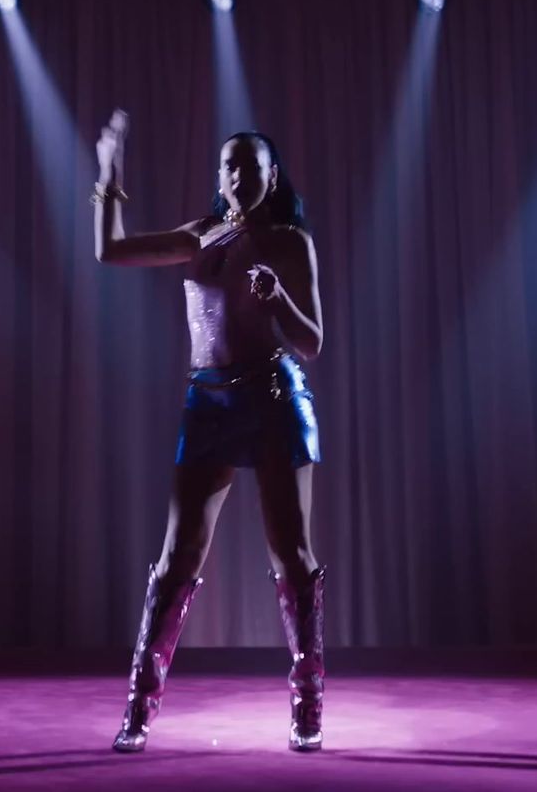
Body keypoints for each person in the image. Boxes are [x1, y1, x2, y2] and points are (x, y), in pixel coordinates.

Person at [92, 108, 326, 753]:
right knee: (176, 560)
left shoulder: (289, 241)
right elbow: (109, 250)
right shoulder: (202, 236)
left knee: (292, 557)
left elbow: (313, 343)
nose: (236, 175)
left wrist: (278, 299)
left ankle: (308, 704)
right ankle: (138, 709)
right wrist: (108, 176)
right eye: (228, 165)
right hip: (210, 403)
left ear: (270, 175)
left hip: (276, 396)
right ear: (218, 176)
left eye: (249, 166)